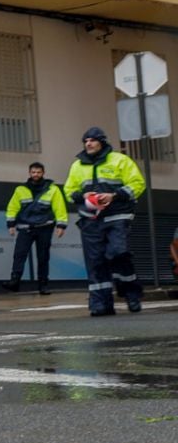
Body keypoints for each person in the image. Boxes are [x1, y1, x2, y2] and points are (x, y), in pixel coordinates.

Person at [64, 127, 147, 316]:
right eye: (86, 141)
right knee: (96, 262)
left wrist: (114, 195)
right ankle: (101, 304)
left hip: (118, 215)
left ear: (102, 142)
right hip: (91, 219)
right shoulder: (77, 166)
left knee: (119, 252)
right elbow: (69, 191)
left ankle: (130, 293)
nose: (88, 144)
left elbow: (137, 183)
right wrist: (82, 196)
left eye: (92, 140)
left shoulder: (120, 160)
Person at [2, 161, 67, 293]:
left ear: (43, 173)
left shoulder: (52, 189)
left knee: (43, 257)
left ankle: (43, 285)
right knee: (19, 254)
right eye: (33, 172)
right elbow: (12, 208)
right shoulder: (20, 190)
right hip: (26, 227)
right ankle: (15, 281)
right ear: (29, 173)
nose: (36, 174)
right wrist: (11, 224)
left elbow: (59, 208)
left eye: (38, 172)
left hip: (45, 227)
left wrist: (61, 225)